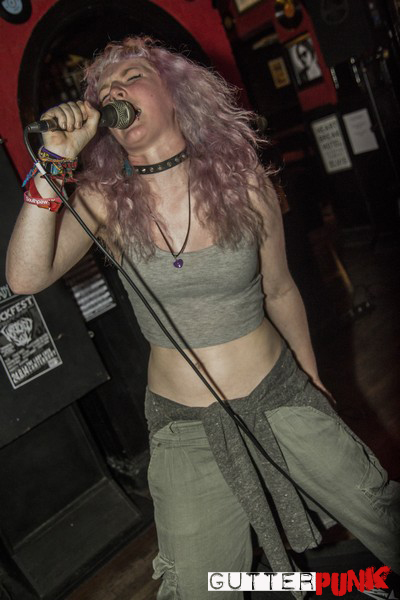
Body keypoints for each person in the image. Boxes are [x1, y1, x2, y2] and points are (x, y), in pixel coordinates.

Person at [6, 37, 400, 599]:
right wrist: (53, 165)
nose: (115, 92)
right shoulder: (102, 200)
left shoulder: (245, 184)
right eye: (105, 90)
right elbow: (26, 276)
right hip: (184, 426)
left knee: (381, 511)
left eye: (132, 77)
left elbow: (280, 289)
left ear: (175, 94)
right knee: (198, 586)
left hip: (278, 393)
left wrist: (310, 379)